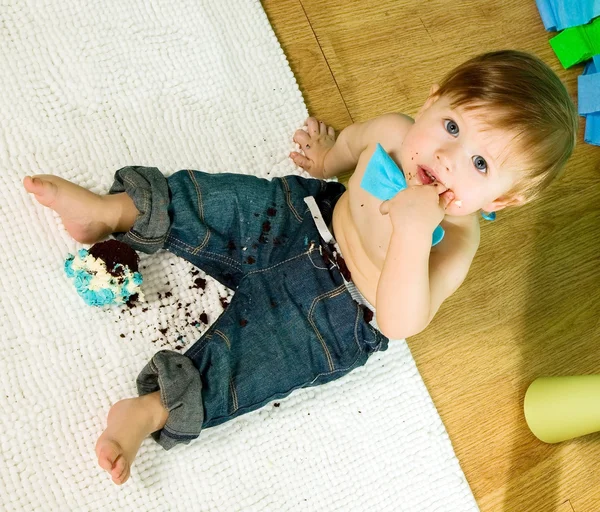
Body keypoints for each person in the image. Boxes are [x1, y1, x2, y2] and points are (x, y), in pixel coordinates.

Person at [22, 50, 577, 485]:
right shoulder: (394, 133)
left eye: (480, 164)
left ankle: (148, 411)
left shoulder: (458, 237)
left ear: (501, 200)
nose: (448, 158)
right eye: (452, 127)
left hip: (334, 316)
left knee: (255, 366)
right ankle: (114, 212)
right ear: (431, 101)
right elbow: (352, 149)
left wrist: (412, 235)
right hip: (301, 217)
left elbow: (400, 320)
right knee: (220, 202)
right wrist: (327, 155)